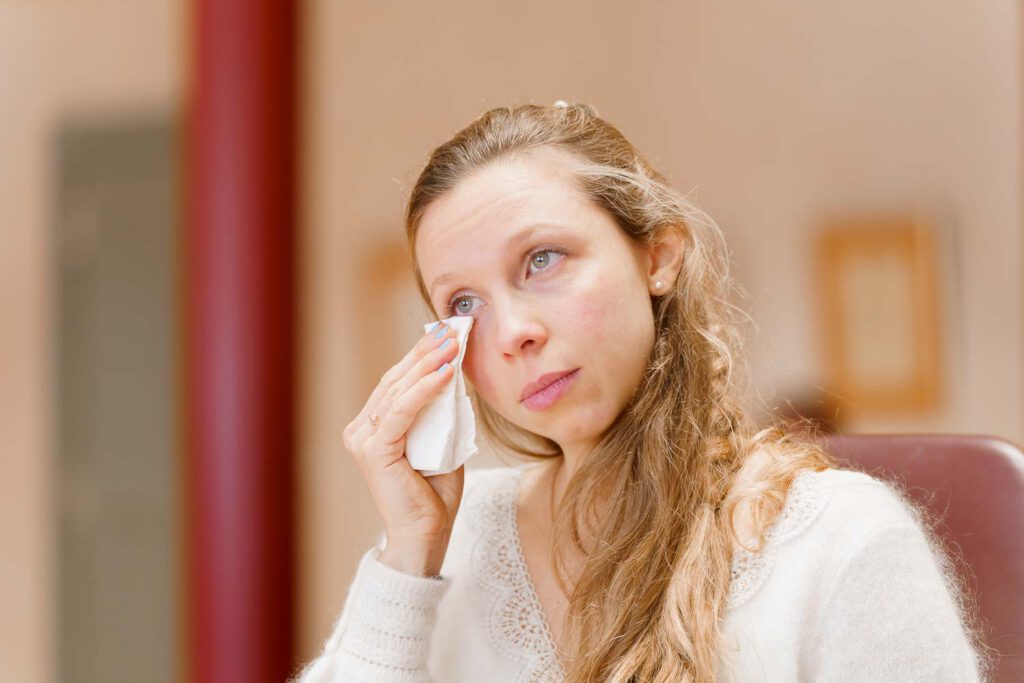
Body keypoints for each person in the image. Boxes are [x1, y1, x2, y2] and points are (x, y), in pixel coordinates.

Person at [292, 102, 991, 682]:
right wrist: (407, 553)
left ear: (657, 256)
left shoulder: (838, 541)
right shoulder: (451, 543)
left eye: (542, 259)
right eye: (465, 304)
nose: (513, 332)